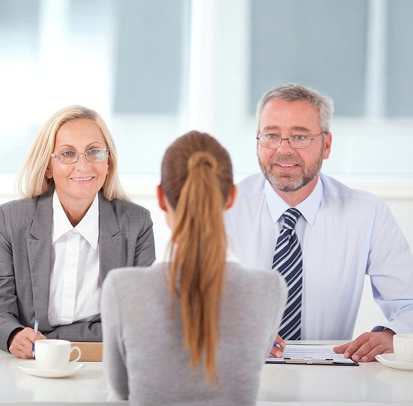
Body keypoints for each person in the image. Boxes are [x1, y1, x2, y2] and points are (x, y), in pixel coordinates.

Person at [225, 83, 413, 362]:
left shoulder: (367, 214)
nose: (284, 150)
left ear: (326, 145)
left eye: (300, 137)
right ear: (258, 141)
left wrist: (391, 334)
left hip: (331, 373)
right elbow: (183, 306)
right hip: (236, 372)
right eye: (271, 135)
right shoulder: (219, 210)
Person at [102, 131, 286, 405]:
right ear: (231, 197)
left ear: (161, 198)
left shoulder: (122, 288)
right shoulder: (269, 288)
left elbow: (121, 388)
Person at [0, 105, 156, 359]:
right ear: (48, 167)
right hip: (29, 365)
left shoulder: (136, 223)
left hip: (106, 364)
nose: (83, 166)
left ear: (108, 162)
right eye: (68, 153)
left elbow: (138, 320)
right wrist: (14, 335)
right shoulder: (9, 221)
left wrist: (50, 340)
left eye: (94, 152)